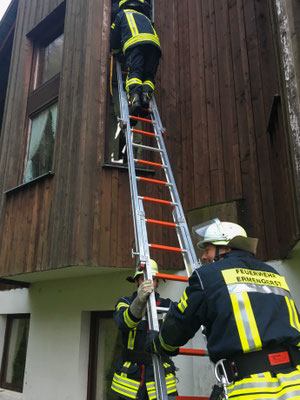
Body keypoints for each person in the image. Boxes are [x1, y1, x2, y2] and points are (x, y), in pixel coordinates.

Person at [147, 219, 300, 399]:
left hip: (253, 388)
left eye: (207, 249)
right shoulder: (273, 274)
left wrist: (158, 343)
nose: (203, 257)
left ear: (226, 248)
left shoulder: (208, 276)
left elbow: (180, 324)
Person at [111, 259, 178, 400]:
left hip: (161, 377)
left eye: (152, 279)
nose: (148, 283)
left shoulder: (168, 306)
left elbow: (175, 340)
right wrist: (139, 302)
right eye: (143, 278)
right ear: (136, 281)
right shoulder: (125, 302)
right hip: (130, 382)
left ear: (157, 282)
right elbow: (123, 323)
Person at [110, 0, 161, 116]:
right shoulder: (146, 17)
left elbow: (114, 37)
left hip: (136, 45)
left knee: (135, 73)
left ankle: (135, 99)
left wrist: (117, 53)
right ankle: (145, 98)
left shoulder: (122, 14)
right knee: (148, 75)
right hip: (154, 48)